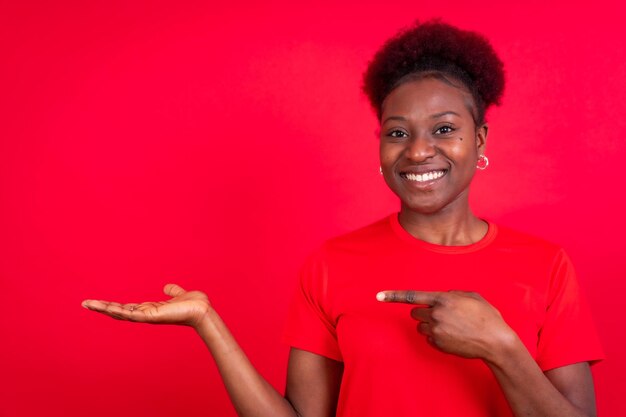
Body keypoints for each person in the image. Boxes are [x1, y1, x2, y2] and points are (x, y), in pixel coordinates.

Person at [82, 20, 603, 417]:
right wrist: (207, 323)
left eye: (444, 129)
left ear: (480, 140)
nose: (418, 152)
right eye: (397, 133)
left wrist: (500, 345)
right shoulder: (332, 263)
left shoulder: (546, 266)